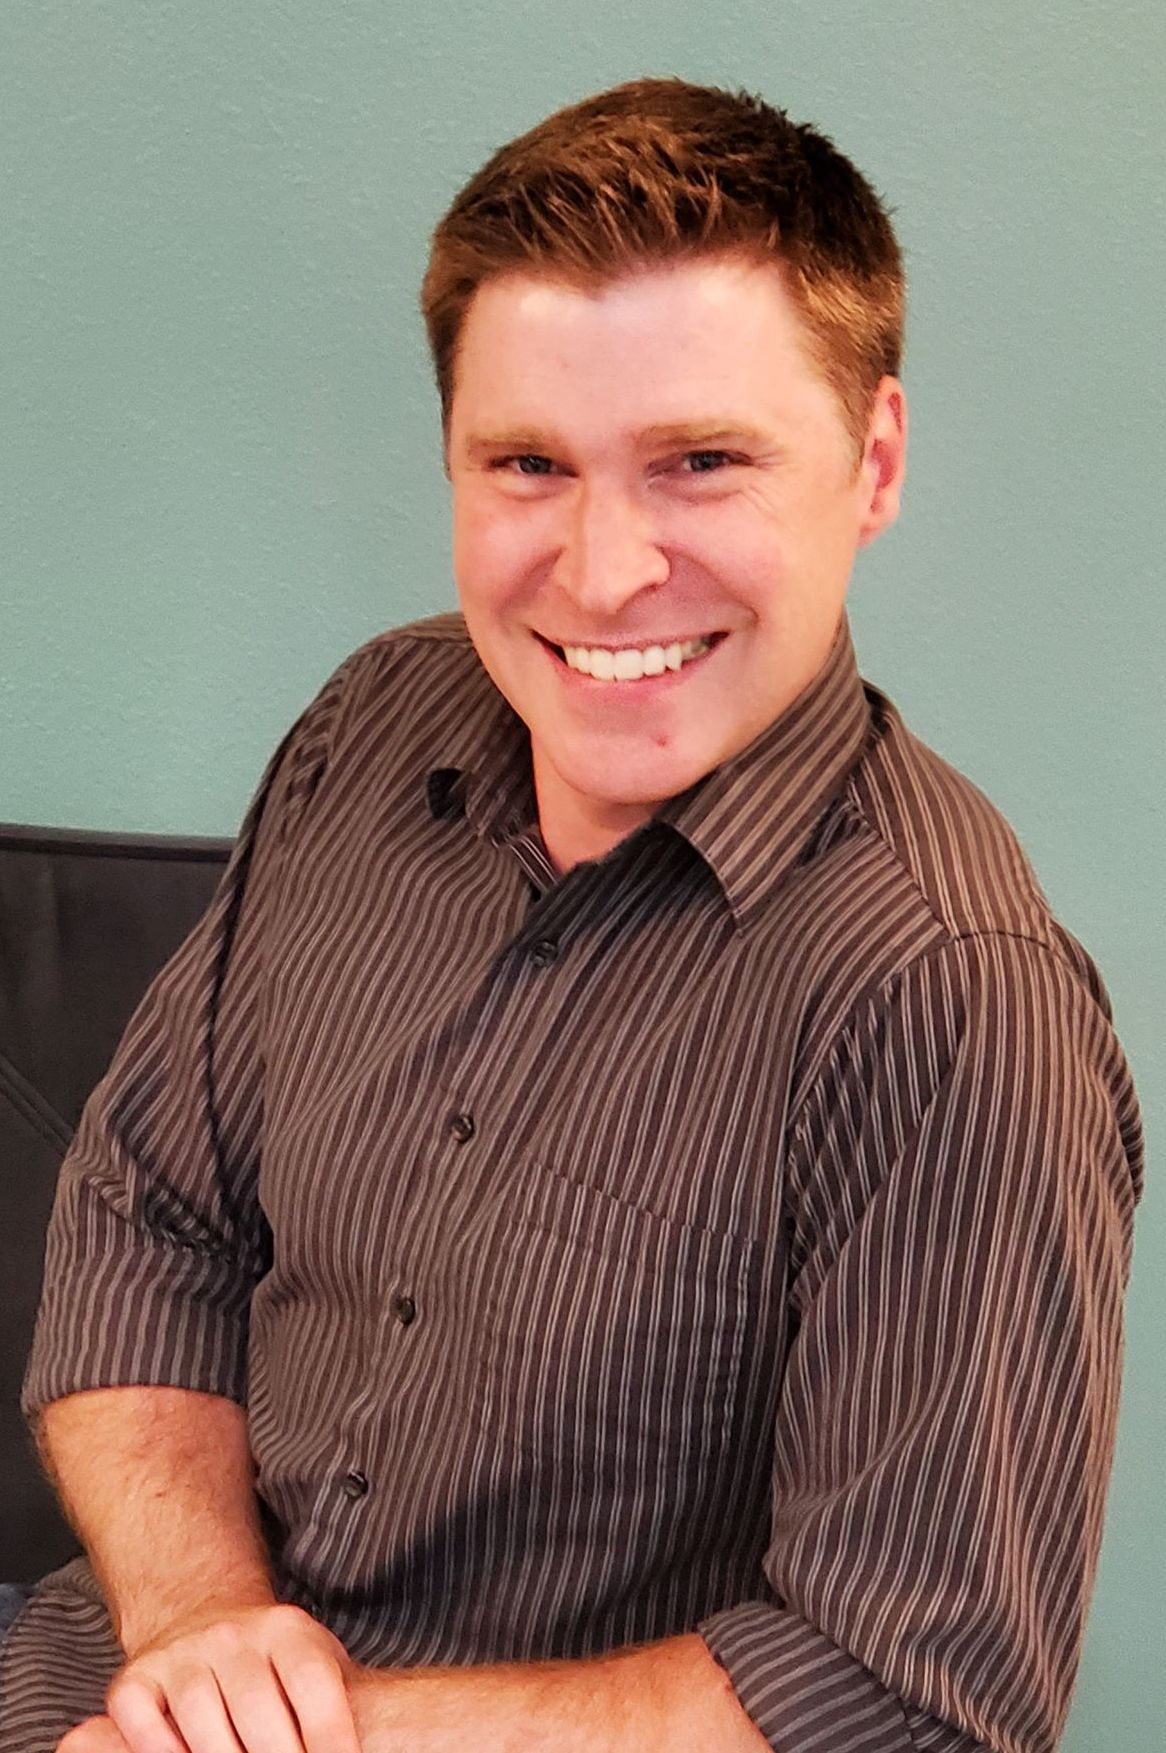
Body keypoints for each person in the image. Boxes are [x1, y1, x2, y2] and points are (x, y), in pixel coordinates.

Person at [0, 75, 1143, 1753]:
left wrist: (297, 1739)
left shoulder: (952, 1000)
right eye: (527, 463)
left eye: (700, 463)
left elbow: (904, 1700)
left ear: (873, 459)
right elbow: (143, 1219)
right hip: (100, 1669)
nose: (604, 574)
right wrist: (201, 1630)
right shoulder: (374, 720)